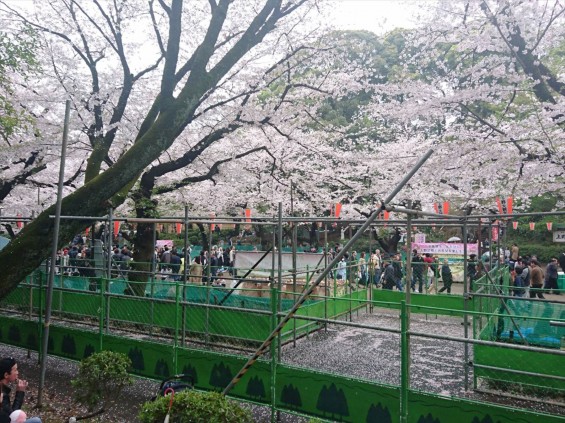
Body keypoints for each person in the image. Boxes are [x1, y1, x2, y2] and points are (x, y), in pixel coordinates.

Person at [0, 358, 41, 423]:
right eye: (15, 370)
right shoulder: (2, 394)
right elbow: (14, 418)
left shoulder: (3, 389)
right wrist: (20, 392)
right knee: (37, 421)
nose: (17, 373)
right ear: (6, 375)